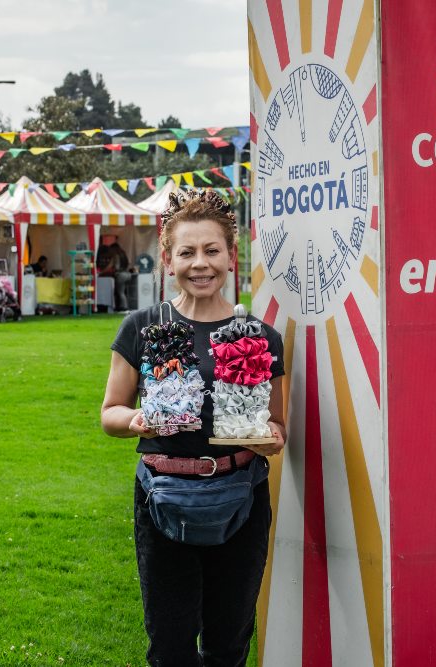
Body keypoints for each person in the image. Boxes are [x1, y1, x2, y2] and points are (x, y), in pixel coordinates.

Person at [100, 190, 286, 666]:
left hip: (241, 496)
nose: (200, 264)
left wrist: (269, 437)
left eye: (211, 250)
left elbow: (277, 427)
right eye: (187, 252)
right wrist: (138, 419)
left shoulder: (260, 337)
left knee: (228, 640)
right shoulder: (143, 327)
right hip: (162, 497)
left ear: (231, 256)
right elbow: (110, 413)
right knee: (170, 643)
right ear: (168, 259)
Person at [97, 234, 135, 312]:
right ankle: (124, 306)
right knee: (124, 291)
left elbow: (112, 266)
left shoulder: (115, 255)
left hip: (120, 275)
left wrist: (101, 272)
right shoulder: (123, 253)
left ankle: (123, 307)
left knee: (120, 292)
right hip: (128, 274)